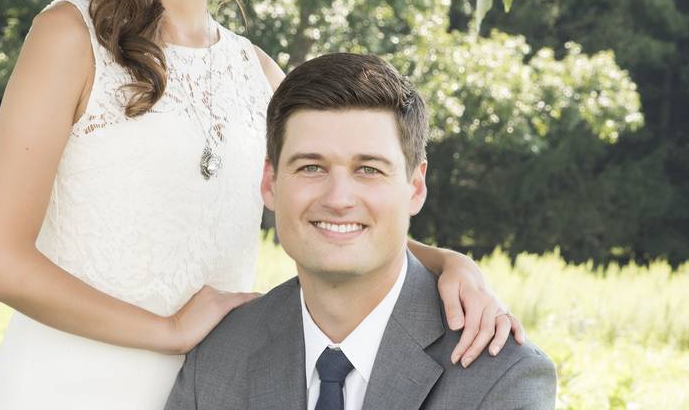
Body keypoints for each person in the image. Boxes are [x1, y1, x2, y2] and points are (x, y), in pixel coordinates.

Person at [0, 0, 524, 408]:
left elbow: (325, 205)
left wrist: (452, 265)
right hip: (70, 385)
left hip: (214, 393)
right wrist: (167, 332)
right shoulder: (68, 37)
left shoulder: (257, 72)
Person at [165, 53, 557, 410]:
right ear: (270, 183)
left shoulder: (501, 378)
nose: (338, 199)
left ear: (415, 187)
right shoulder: (219, 357)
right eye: (311, 167)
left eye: (368, 169)